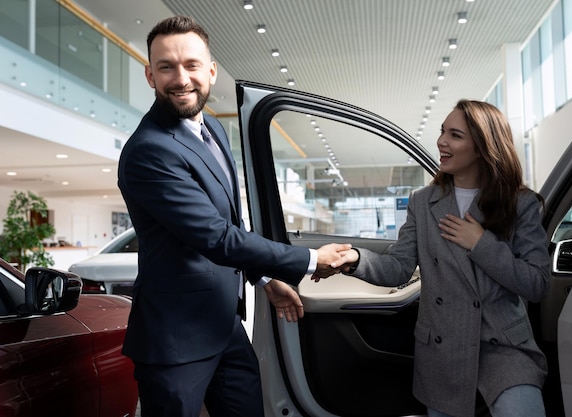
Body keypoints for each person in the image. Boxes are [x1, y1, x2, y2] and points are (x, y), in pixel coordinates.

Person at [117, 15, 349, 417]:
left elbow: (230, 222)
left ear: (211, 70)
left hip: (222, 324)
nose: (180, 78)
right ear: (150, 75)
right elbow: (216, 236)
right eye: (166, 67)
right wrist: (311, 260)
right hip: (176, 340)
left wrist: (264, 278)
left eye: (191, 65)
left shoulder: (215, 132)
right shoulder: (149, 150)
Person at [321, 100, 550, 417]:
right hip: (444, 350)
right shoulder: (423, 201)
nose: (442, 141)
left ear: (483, 147)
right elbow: (398, 267)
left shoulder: (520, 203)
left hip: (503, 347)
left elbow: (536, 284)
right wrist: (356, 258)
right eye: (443, 131)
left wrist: (481, 243)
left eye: (455, 135)